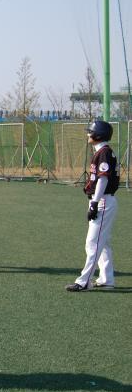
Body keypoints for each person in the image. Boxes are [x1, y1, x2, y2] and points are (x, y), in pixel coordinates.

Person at [66, 120, 119, 292]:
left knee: (93, 243)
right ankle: (106, 279)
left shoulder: (104, 152)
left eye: (90, 132)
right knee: (103, 243)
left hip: (102, 200)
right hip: (104, 200)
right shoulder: (103, 151)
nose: (88, 134)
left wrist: (95, 203)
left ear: (99, 135)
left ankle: (84, 282)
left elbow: (103, 179)